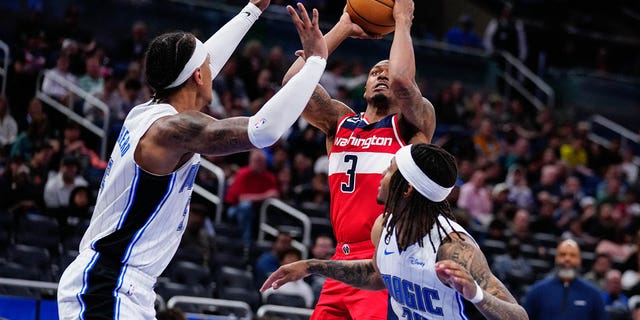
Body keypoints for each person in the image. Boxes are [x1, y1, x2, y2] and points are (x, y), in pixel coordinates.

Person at [57, 2, 328, 319]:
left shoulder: (148, 113)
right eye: (207, 67)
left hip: (122, 284)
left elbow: (200, 62)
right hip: (108, 283)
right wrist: (316, 61)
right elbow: (263, 131)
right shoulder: (171, 130)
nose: (214, 69)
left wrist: (252, 10)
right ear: (199, 75)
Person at [279, 0, 436, 318]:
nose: (382, 76)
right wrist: (343, 27)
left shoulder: (412, 124)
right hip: (341, 263)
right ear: (363, 85)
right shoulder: (340, 121)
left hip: (386, 259)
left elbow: (404, 83)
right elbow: (291, 88)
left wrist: (403, 21)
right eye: (375, 72)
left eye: (388, 72)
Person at [261, 144, 528, 319]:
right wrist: (310, 266)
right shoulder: (383, 227)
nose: (381, 175)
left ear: (407, 188)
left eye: (389, 170)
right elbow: (376, 275)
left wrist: (476, 295)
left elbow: (519, 316)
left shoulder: (453, 248)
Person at [524, 239, 608, 320]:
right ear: (556, 258)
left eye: (573, 255)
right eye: (563, 254)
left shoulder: (594, 294)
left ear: (579, 260)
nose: (567, 259)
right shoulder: (537, 291)